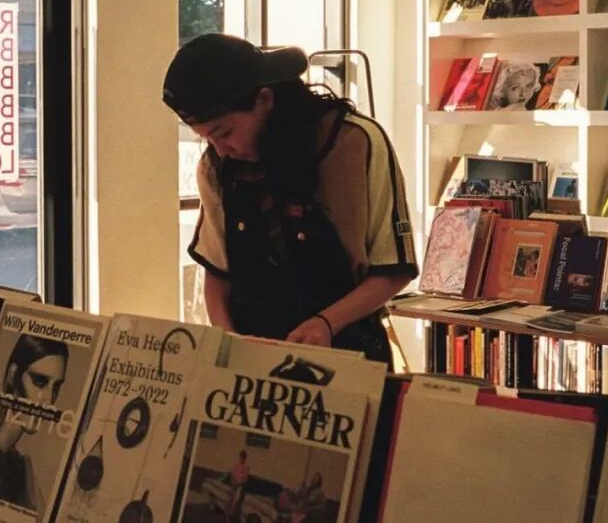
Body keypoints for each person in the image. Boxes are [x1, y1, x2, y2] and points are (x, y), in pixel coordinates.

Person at [163, 34, 418, 365]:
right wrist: (226, 339)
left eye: (225, 133)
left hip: (348, 355)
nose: (221, 150)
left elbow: (394, 269)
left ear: (264, 100)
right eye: (207, 139)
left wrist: (326, 323)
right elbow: (218, 270)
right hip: (249, 360)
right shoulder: (216, 166)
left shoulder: (355, 143)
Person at [0, 334, 69, 512]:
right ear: (13, 375)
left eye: (56, 387)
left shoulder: (23, 468)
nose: (48, 400)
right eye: (39, 382)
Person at [226, 450, 250, 522]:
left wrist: (240, 482)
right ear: (240, 457)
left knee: (236, 501)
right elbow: (232, 475)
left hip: (240, 486)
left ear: (245, 458)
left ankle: (232, 516)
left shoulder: (246, 467)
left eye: (243, 457)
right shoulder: (236, 466)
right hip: (234, 486)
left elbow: (246, 478)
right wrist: (233, 482)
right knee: (230, 501)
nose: (242, 458)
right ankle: (228, 517)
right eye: (241, 457)